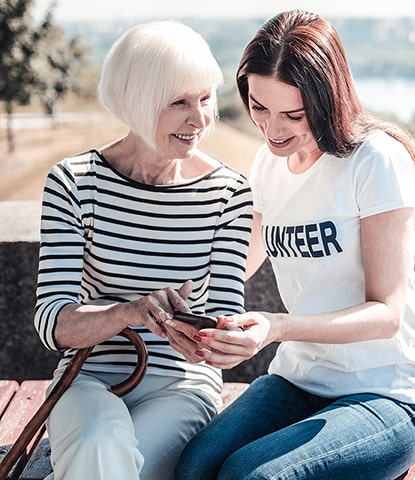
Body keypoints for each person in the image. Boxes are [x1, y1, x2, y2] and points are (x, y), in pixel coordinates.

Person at [174, 9, 415, 480]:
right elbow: (237, 262)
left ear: (328, 98)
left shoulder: (375, 161)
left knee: (248, 477)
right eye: (259, 108)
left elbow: (386, 313)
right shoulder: (267, 165)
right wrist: (180, 308)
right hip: (298, 380)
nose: (272, 130)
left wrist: (274, 327)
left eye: (293, 114)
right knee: (194, 469)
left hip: (386, 396)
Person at [34, 20, 252, 480]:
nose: (200, 119)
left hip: (182, 386)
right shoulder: (74, 183)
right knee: (98, 444)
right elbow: (52, 322)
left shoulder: (229, 194)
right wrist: (129, 312)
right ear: (137, 102)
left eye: (205, 98)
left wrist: (210, 340)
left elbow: (225, 325)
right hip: (86, 375)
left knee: (105, 467)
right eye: (179, 103)